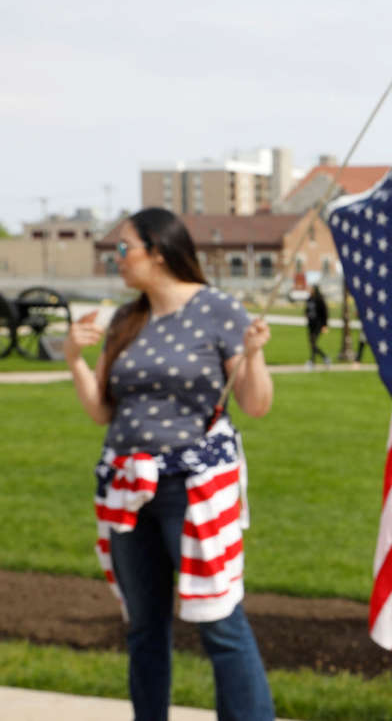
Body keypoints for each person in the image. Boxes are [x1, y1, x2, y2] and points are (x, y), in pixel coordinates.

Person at [65, 207, 275, 720]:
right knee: (143, 625)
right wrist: (73, 357)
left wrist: (254, 355)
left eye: (123, 248)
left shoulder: (219, 310)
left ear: (157, 251)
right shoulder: (125, 320)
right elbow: (102, 412)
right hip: (126, 488)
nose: (117, 259)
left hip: (193, 489)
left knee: (219, 621)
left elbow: (255, 403)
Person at [305, 284, 330, 369]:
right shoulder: (309, 299)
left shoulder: (319, 299)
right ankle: (323, 358)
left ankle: (313, 361)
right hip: (311, 325)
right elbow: (307, 310)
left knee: (313, 342)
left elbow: (325, 313)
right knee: (312, 343)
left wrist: (325, 325)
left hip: (318, 324)